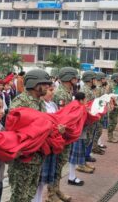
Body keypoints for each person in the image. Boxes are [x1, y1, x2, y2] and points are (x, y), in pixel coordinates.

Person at [8, 69, 51, 202]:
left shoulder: (40, 102)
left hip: (37, 157)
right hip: (23, 160)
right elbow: (12, 129)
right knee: (19, 197)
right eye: (44, 84)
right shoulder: (20, 102)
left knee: (29, 194)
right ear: (35, 84)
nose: (47, 87)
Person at [50, 67, 78, 201]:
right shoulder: (61, 93)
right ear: (68, 78)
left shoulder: (68, 91)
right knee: (56, 164)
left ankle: (56, 190)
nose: (76, 79)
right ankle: (51, 195)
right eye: (74, 77)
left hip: (66, 134)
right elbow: (62, 118)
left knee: (60, 165)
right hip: (60, 135)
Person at [75, 71, 96, 173]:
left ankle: (83, 162)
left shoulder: (88, 89)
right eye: (93, 79)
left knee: (86, 142)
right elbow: (85, 106)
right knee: (84, 142)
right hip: (86, 119)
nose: (94, 81)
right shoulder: (85, 91)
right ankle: (81, 164)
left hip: (89, 119)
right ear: (89, 80)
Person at [67, 92, 88, 186]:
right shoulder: (78, 107)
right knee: (73, 157)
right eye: (85, 99)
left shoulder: (77, 105)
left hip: (77, 134)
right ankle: (71, 177)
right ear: (81, 100)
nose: (86, 101)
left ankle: (72, 176)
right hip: (76, 135)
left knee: (74, 157)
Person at [107, 73, 118, 143]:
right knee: (112, 122)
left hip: (116, 106)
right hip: (112, 106)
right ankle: (110, 136)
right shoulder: (110, 85)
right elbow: (108, 96)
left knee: (114, 122)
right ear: (115, 79)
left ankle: (111, 135)